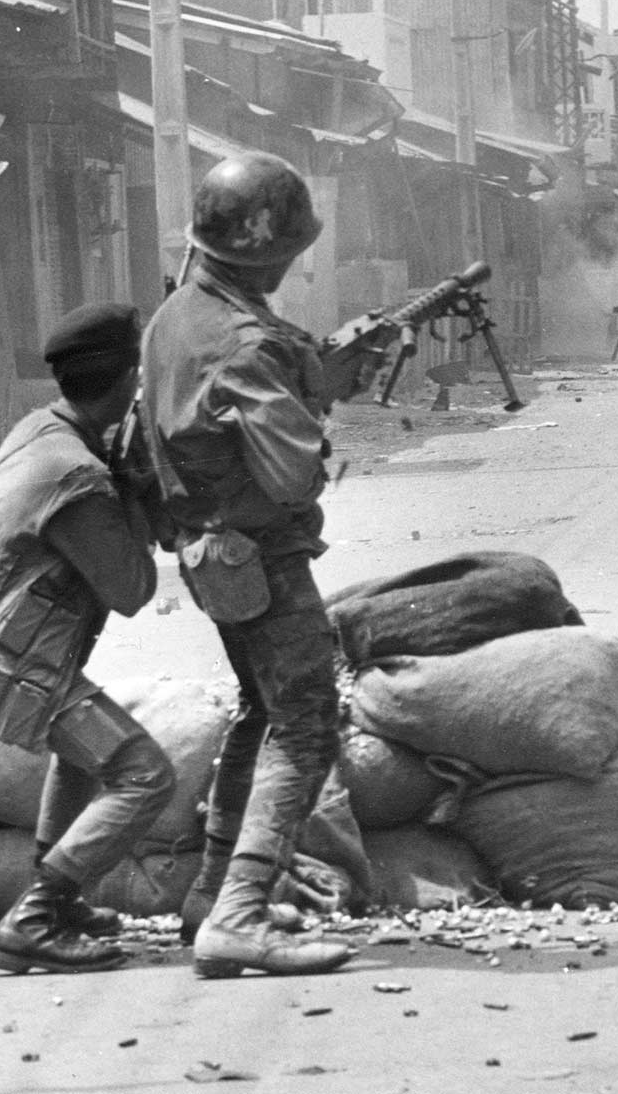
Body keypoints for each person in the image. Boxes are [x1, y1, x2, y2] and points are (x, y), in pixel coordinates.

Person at [139, 153, 371, 979]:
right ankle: (239, 915)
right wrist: (320, 398)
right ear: (265, 251)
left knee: (259, 710)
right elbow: (294, 475)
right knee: (307, 723)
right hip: (260, 555)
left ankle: (212, 893)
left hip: (211, 552)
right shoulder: (243, 342)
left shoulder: (173, 317)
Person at [0, 303, 175, 974]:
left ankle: (54, 895)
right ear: (127, 382)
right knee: (144, 774)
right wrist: (132, 481)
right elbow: (132, 591)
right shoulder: (80, 476)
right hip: (17, 664)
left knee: (81, 757)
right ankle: (37, 912)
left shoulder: (39, 430)